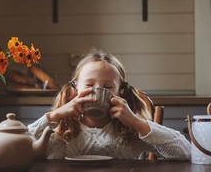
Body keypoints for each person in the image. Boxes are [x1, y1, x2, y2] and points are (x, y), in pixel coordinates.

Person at [28, 47, 191, 160]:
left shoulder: (129, 131)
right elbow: (19, 146)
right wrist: (53, 116)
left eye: (107, 87)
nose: (97, 91)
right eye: (89, 85)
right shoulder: (60, 130)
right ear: (75, 88)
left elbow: (185, 152)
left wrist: (136, 122)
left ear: (121, 91)